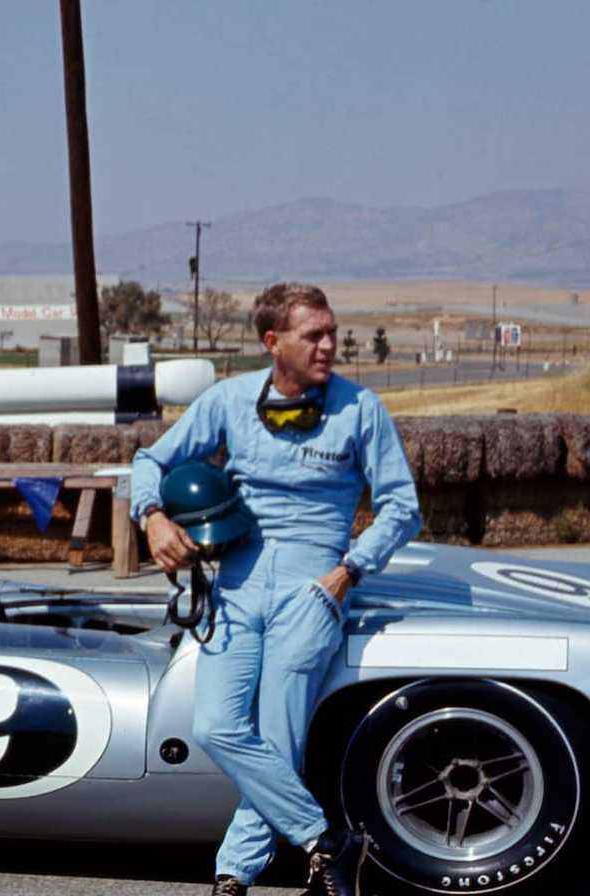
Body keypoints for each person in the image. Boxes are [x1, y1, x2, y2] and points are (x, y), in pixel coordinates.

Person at [131, 282, 421, 896]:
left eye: (331, 332)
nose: (328, 345)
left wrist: (348, 572)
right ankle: (327, 841)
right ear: (273, 342)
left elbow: (402, 507)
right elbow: (148, 462)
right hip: (234, 583)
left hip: (314, 584)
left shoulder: (360, 409)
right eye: (311, 335)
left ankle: (233, 875)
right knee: (217, 726)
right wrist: (153, 516)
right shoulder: (228, 401)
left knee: (278, 731)